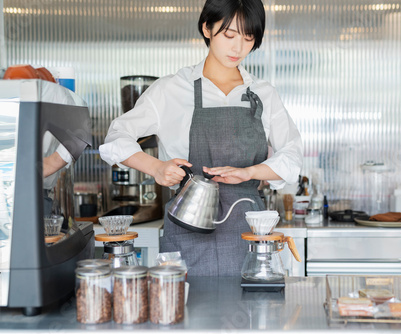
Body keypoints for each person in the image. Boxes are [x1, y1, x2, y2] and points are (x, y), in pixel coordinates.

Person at [99, 0, 303, 276]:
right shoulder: (172, 89)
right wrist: (156, 167)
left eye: (248, 37)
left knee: (251, 312)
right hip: (186, 225)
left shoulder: (263, 93)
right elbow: (115, 138)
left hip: (249, 229)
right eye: (229, 35)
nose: (238, 48)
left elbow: (292, 156)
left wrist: (248, 173)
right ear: (207, 28)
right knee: (187, 313)